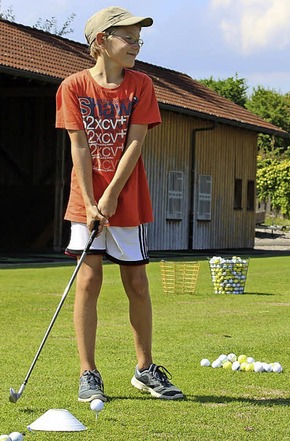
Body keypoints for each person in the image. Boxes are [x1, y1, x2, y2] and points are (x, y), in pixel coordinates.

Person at [55, 6, 183, 402]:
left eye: (138, 38)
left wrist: (110, 197)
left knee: (138, 284)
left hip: (126, 200)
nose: (136, 45)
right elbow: (78, 146)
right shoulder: (73, 87)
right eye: (127, 38)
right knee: (88, 283)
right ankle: (88, 373)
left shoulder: (141, 84)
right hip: (85, 203)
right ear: (100, 42)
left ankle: (145, 369)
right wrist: (92, 202)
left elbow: (135, 143)